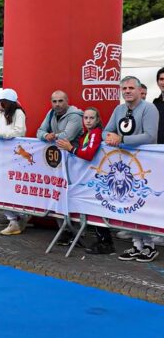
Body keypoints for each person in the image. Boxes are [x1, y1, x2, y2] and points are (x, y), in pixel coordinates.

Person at [104, 76, 160, 262]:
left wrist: (121, 140)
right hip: (124, 164)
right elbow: (106, 130)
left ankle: (150, 245)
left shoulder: (148, 108)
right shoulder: (119, 109)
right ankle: (136, 244)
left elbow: (150, 135)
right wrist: (111, 137)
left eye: (130, 88)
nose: (127, 91)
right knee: (129, 203)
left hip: (145, 164)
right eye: (124, 88)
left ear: (138, 90)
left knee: (144, 203)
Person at [54, 107, 111, 253]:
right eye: (86, 118)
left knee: (96, 208)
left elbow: (89, 154)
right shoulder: (88, 133)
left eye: (92, 118)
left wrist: (70, 148)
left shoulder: (95, 133)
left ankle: (105, 241)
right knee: (88, 207)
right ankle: (85, 236)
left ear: (97, 120)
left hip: (94, 178)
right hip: (88, 177)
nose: (88, 121)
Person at [0, 89, 29, 235]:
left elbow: (19, 132)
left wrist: (0, 133)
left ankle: (18, 218)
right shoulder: (0, 115)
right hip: (1, 157)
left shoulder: (19, 114)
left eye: (1, 101)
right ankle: (14, 218)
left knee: (13, 187)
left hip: (15, 158)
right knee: (0, 188)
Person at [152, 67, 164, 144]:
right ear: (157, 82)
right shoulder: (155, 103)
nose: (163, 82)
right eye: (161, 79)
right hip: (157, 149)